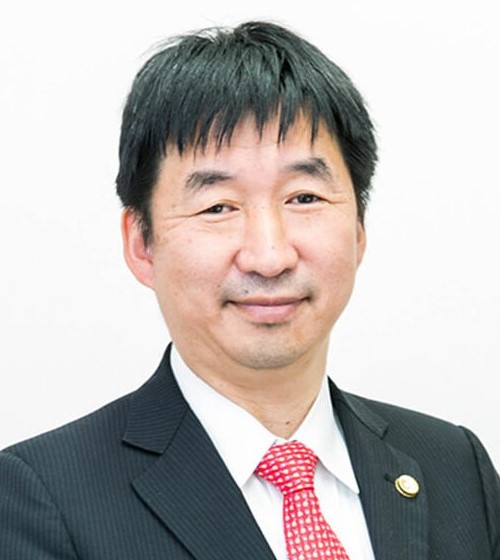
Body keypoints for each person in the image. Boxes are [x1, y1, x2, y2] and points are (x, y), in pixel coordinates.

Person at [0, 20, 498, 560]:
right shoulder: (42, 497)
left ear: (359, 229)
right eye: (218, 207)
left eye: (304, 198)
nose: (269, 256)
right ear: (142, 243)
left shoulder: (455, 466)